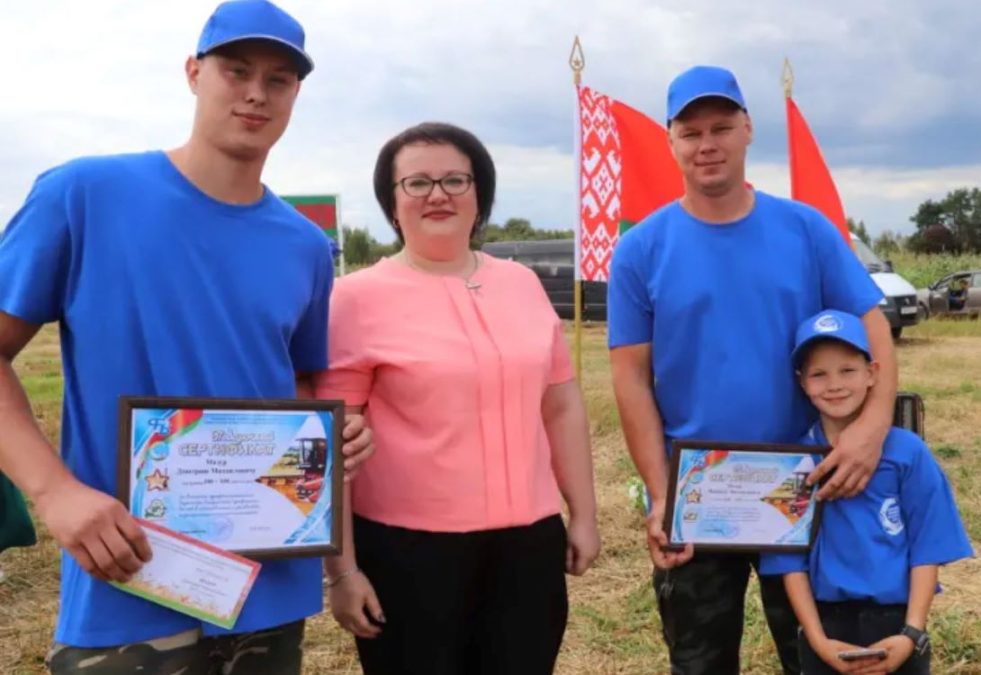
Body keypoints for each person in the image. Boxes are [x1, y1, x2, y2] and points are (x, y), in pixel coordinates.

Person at [0, 2, 373, 673]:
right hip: (129, 579)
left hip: (270, 588)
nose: (257, 92)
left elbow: (295, 387)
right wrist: (54, 491)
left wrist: (331, 438)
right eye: (237, 70)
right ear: (193, 72)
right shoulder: (83, 194)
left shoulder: (303, 245)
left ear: (296, 94)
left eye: (279, 79)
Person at [607, 65, 898, 675]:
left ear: (747, 130)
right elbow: (631, 377)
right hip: (699, 491)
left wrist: (871, 432)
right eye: (690, 133)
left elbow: (875, 334)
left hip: (805, 481)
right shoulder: (640, 249)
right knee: (700, 660)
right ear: (671, 141)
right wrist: (661, 493)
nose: (706, 144)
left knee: (817, 656)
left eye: (720, 127)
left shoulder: (806, 229)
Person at [314, 121, 601, 675]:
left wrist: (583, 514)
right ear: (392, 205)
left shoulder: (521, 284)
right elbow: (333, 445)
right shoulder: (353, 299)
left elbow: (560, 405)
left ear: (480, 195)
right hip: (407, 551)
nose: (438, 194)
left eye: (455, 180)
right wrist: (342, 571)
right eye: (417, 183)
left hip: (528, 545)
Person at [760, 310, 973, 674]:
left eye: (847, 370)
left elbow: (928, 546)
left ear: (873, 373)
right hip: (826, 624)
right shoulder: (793, 462)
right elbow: (788, 561)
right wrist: (817, 640)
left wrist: (911, 633)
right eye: (819, 374)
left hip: (897, 622)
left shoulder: (908, 453)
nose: (834, 384)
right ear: (802, 382)